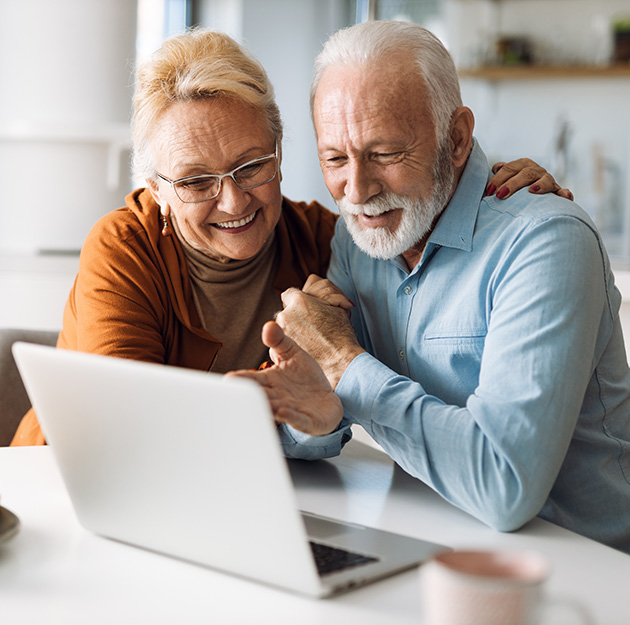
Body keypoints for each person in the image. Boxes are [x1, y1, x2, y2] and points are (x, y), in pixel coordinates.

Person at [11, 28, 563, 447]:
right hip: (61, 484)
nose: (233, 202)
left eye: (251, 166)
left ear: (280, 151)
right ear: (156, 187)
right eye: (196, 181)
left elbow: (418, 217)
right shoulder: (123, 248)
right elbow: (126, 433)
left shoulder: (325, 241)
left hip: (239, 499)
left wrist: (483, 181)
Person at [232, 21, 630, 553]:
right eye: (334, 158)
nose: (357, 189)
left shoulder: (545, 240)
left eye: (386, 153)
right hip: (431, 543)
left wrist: (346, 366)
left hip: (587, 566)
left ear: (457, 138)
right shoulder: (361, 239)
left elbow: (504, 485)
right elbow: (325, 408)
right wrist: (317, 418)